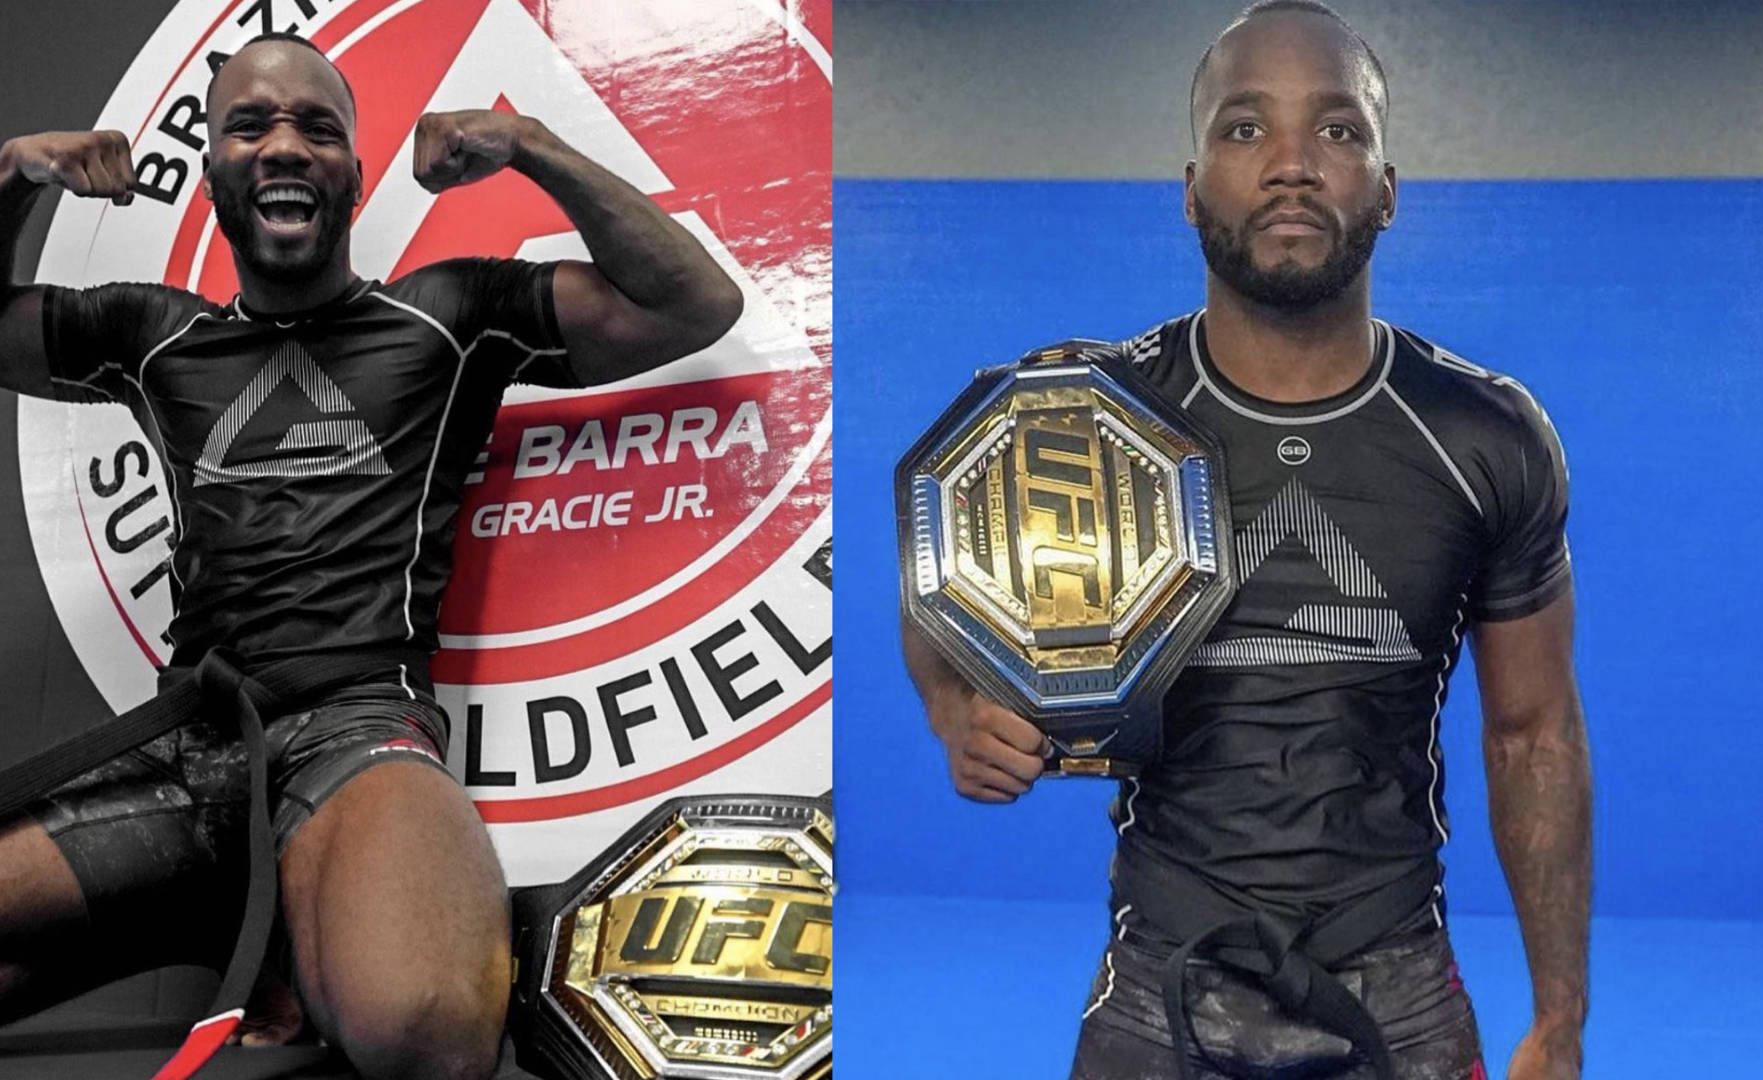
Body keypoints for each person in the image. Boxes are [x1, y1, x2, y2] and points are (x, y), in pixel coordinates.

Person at [0, 31, 741, 1080]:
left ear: (353, 170)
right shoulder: (151, 332)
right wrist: (14, 175)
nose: (285, 146)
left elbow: (693, 302)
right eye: (250, 125)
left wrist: (530, 145)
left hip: (358, 736)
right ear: (211, 167)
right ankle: (223, 910)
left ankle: (283, 912)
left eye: (318, 128)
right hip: (191, 752)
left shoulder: (449, 315)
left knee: (425, 1024)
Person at [903, 3, 1591, 1079]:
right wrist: (956, 707)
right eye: (1243, 129)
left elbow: (1534, 732)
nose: (1290, 165)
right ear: (1188, 190)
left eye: (1338, 130)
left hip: (1398, 985)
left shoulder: (1483, 435)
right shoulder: (1081, 413)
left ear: (1389, 187)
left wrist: (1561, 1019)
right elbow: (937, 578)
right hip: (1160, 982)